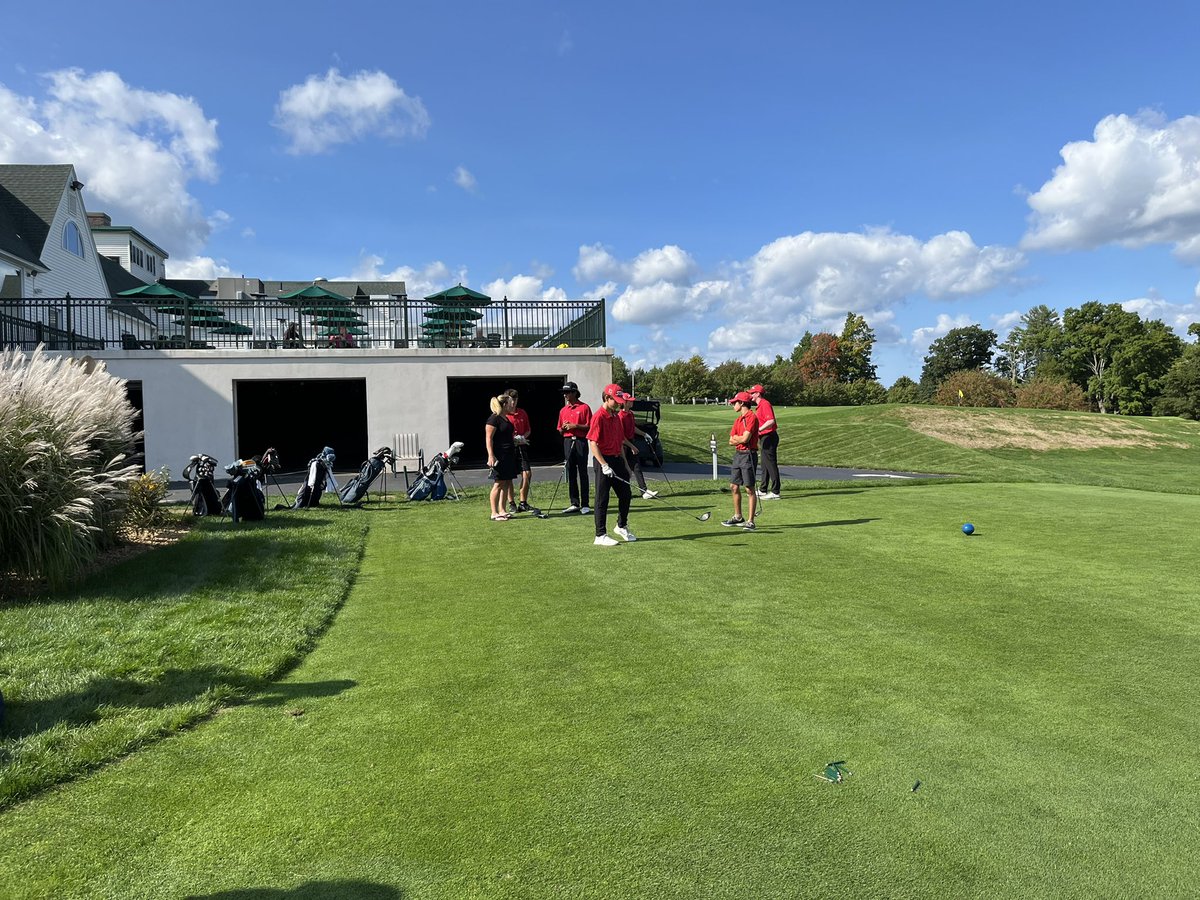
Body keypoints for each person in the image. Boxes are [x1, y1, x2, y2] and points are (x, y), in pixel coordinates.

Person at [587, 384, 638, 545]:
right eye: (615, 400)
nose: (618, 403)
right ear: (607, 398)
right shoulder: (598, 416)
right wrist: (603, 465)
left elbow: (620, 440)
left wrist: (625, 464)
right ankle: (600, 535)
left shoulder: (616, 416)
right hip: (603, 460)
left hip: (617, 459)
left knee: (626, 494)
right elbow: (593, 443)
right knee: (602, 498)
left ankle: (621, 525)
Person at [722, 391, 760, 530]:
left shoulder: (751, 417)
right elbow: (730, 440)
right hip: (738, 454)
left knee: (749, 488)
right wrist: (739, 438)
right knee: (734, 486)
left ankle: (751, 521)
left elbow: (745, 439)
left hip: (749, 455)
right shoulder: (738, 420)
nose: (732, 405)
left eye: (734, 402)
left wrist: (739, 438)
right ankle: (738, 517)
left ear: (742, 403)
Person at [557, 381, 592, 514]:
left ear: (574, 393)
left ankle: (585, 504)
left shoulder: (584, 408)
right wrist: (564, 428)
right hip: (567, 441)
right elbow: (559, 429)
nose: (565, 395)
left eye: (567, 392)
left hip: (580, 442)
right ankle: (574, 503)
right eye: (564, 393)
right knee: (570, 472)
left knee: (583, 472)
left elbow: (590, 426)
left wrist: (575, 426)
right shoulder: (563, 410)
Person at [618, 393, 657, 500]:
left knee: (636, 467)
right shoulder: (620, 417)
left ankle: (644, 491)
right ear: (624, 402)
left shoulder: (630, 414)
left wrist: (645, 434)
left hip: (630, 442)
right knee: (623, 470)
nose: (632, 402)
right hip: (623, 445)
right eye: (630, 400)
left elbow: (633, 428)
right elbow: (621, 437)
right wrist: (632, 447)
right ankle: (623, 492)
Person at [485, 394, 518, 521]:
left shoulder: (506, 418)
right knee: (498, 483)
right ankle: (494, 512)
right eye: (510, 403)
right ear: (504, 404)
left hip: (509, 454)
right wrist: (491, 455)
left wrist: (516, 440)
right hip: (499, 455)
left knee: (506, 482)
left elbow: (506, 436)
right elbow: (489, 438)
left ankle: (502, 510)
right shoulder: (494, 419)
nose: (513, 404)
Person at [504, 387, 534, 513]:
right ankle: (511, 503)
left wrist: (522, 437)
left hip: (522, 446)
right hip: (509, 448)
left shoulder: (522, 413)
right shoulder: (503, 414)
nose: (513, 402)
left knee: (527, 473)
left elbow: (528, 430)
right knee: (509, 476)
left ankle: (523, 502)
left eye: (515, 399)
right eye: (511, 400)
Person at [749, 383, 780, 499]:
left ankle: (776, 492)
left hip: (769, 437)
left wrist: (758, 430)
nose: (750, 395)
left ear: (758, 394)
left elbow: (771, 421)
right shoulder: (759, 405)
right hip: (764, 437)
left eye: (752, 393)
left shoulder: (764, 404)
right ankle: (763, 489)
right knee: (765, 464)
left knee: (771, 464)